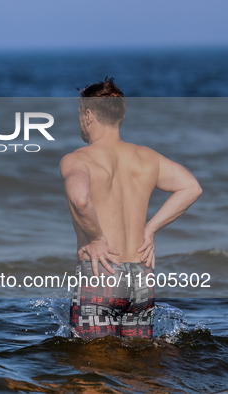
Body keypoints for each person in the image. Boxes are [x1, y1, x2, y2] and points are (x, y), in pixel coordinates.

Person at [59, 77, 202, 339]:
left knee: (93, 366)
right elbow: (191, 187)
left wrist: (96, 238)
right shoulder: (147, 157)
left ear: (88, 115)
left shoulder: (77, 159)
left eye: (80, 113)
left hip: (102, 273)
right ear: (121, 114)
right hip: (141, 276)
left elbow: (80, 199)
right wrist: (151, 229)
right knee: (139, 368)